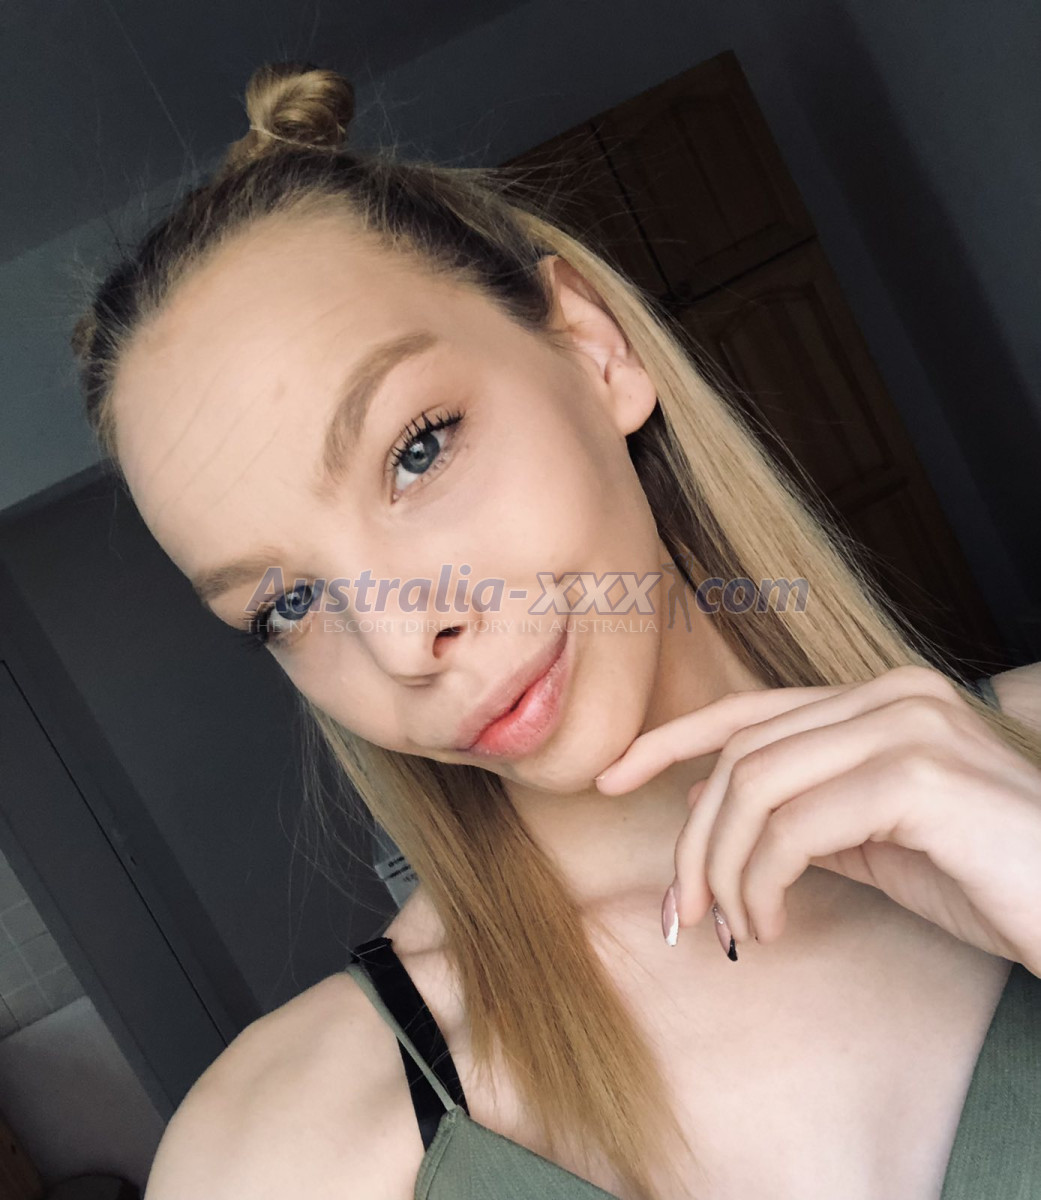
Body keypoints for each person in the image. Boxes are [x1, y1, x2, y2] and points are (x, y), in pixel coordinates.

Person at [69, 61, 1041, 1200]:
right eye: (287, 604)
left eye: (417, 451)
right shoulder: (276, 1149)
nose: (403, 642)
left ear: (592, 347)